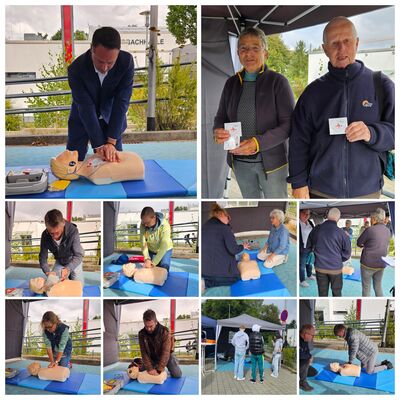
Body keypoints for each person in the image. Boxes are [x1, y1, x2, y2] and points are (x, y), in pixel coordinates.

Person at [288, 16, 394, 199]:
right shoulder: (312, 93)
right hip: (320, 190)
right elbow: (298, 141)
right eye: (334, 43)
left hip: (366, 190)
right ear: (324, 49)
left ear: (357, 43)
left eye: (347, 41)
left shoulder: (381, 85)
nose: (342, 48)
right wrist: (298, 183)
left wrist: (371, 133)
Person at [213, 27, 295, 198]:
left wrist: (258, 143)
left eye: (255, 48)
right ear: (238, 53)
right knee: (252, 202)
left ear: (265, 53)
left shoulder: (278, 82)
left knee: (275, 205)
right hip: (240, 163)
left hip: (273, 164)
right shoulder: (231, 83)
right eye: (243, 48)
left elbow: (288, 125)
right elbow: (221, 116)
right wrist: (218, 131)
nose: (248, 53)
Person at [68, 26, 134, 162]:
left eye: (110, 62)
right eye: (100, 61)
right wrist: (98, 144)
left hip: (111, 117)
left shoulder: (126, 62)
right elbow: (85, 107)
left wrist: (110, 142)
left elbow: (122, 101)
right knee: (73, 162)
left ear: (118, 53)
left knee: (113, 162)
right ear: (92, 48)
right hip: (82, 117)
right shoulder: (76, 69)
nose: (104, 68)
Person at [202, 204, 250, 288]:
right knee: (236, 277)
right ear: (222, 215)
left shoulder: (204, 226)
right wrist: (243, 246)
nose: (228, 221)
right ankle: (206, 283)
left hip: (204, 270)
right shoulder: (224, 228)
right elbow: (233, 250)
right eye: (228, 218)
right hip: (217, 274)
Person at [306, 208, 351, 296]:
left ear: (327, 216)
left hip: (320, 267)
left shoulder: (317, 229)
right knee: (337, 293)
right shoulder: (342, 233)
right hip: (335, 268)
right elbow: (347, 253)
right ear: (338, 218)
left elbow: (309, 246)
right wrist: (338, 259)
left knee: (322, 293)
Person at [39, 209, 84, 282]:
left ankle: (70, 275)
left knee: (78, 285)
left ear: (63, 223)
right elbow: (43, 258)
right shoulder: (45, 235)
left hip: (74, 260)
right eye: (51, 233)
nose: (54, 237)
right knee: (52, 282)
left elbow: (78, 256)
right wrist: (47, 272)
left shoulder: (73, 231)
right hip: (60, 261)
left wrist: (68, 268)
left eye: (57, 233)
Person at [138, 309, 182, 378]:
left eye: (151, 326)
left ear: (156, 322)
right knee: (140, 372)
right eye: (146, 326)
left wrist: (159, 370)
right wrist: (150, 369)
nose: (148, 329)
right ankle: (156, 365)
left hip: (167, 356)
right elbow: (144, 353)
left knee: (177, 375)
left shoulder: (165, 331)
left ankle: (173, 361)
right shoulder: (141, 334)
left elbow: (166, 352)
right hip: (152, 358)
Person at [357, 208, 391, 296]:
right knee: (378, 286)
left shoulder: (370, 230)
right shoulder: (388, 231)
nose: (370, 220)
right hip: (381, 263)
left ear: (374, 219)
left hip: (368, 264)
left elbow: (359, 243)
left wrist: (364, 245)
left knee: (366, 288)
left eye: (371, 218)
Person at [140, 207, 173, 271]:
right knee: (151, 270)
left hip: (165, 249)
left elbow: (163, 247)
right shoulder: (143, 224)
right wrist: (147, 258)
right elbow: (143, 242)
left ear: (154, 217)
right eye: (144, 222)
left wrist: (153, 263)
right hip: (152, 249)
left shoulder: (165, 226)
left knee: (163, 269)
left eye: (147, 222)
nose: (145, 225)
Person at [299, 209, 316, 287]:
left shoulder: (310, 222)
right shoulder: (298, 223)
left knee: (309, 263)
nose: (307, 215)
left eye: (308, 214)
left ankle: (309, 275)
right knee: (302, 265)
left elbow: (314, 233)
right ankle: (301, 280)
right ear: (300, 213)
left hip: (310, 247)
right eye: (305, 213)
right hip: (303, 248)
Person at [299, 324, 317, 392]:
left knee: (314, 372)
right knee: (305, 360)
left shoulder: (305, 340)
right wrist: (309, 357)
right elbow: (301, 355)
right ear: (306, 334)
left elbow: (307, 352)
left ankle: (301, 375)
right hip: (300, 363)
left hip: (301, 364)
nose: (312, 337)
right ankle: (302, 382)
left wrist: (310, 356)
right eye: (312, 335)